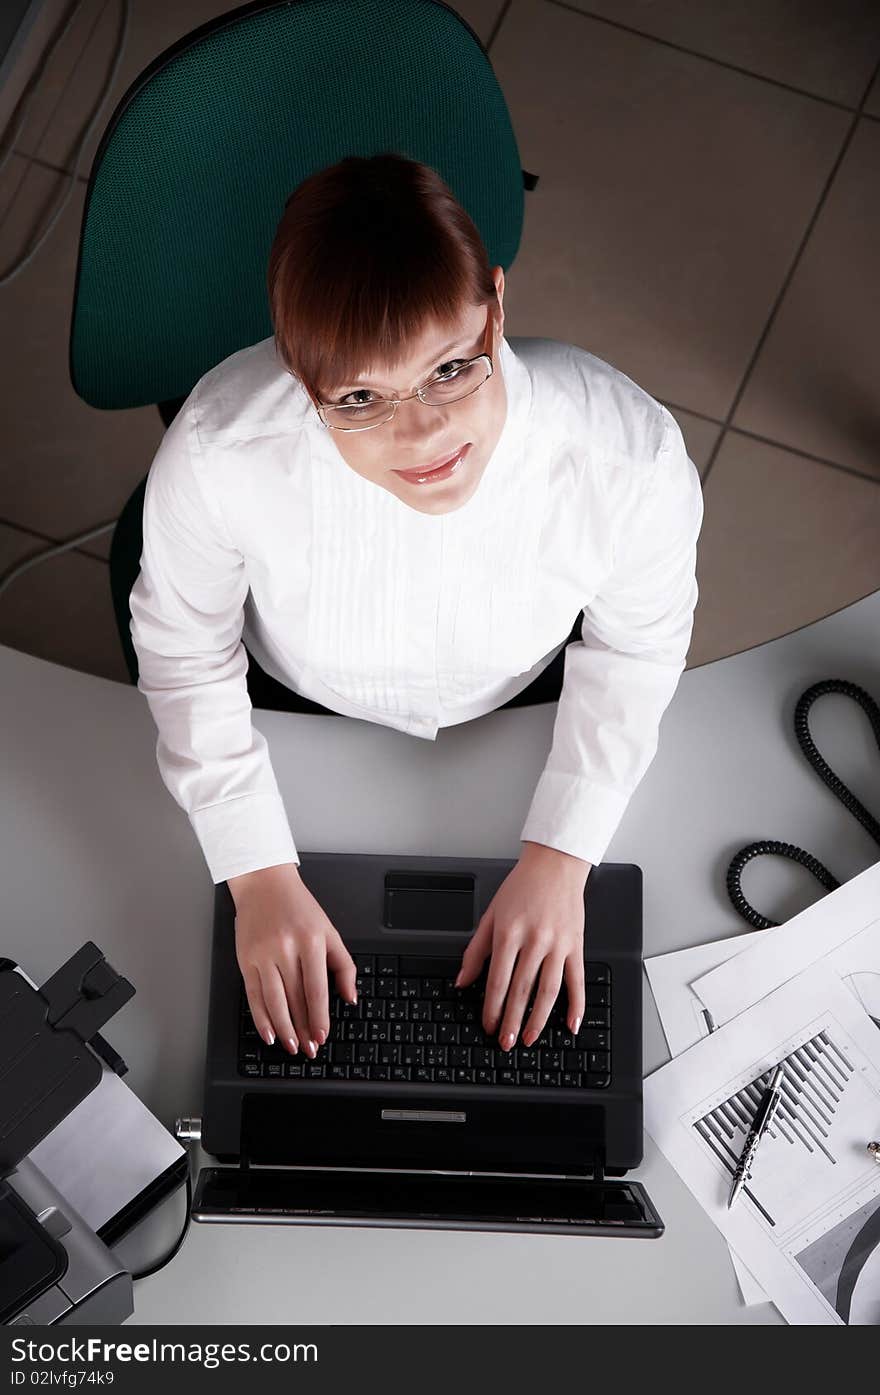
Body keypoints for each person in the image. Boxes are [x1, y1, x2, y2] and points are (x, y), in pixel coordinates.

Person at [129, 151, 704, 1069]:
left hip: (524, 694)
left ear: (496, 308)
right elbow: (184, 647)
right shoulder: (218, 448)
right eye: (360, 397)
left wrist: (563, 856)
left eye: (450, 368)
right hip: (292, 700)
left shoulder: (626, 456)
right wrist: (256, 869)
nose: (426, 435)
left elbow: (636, 646)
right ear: (299, 373)